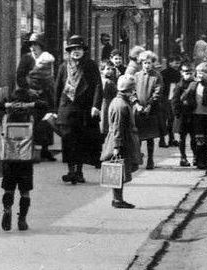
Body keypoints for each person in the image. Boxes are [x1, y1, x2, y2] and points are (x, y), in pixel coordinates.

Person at [0, 82, 50, 229]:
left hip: (9, 158)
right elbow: (44, 106)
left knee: (8, 189)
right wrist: (30, 104)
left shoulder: (5, 118)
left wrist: (8, 102)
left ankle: (7, 209)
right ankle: (22, 220)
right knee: (25, 191)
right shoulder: (32, 118)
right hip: (25, 159)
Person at [54, 36, 102, 184]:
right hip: (67, 109)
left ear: (83, 51)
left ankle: (79, 172)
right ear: (69, 51)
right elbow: (58, 88)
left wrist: (96, 106)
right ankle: (70, 171)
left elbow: (98, 86)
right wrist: (55, 109)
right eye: (73, 49)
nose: (76, 51)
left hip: (84, 109)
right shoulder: (64, 66)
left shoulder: (90, 65)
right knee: (68, 141)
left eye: (79, 49)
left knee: (81, 141)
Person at [101, 74, 140, 209]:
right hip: (121, 140)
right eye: (133, 89)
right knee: (119, 170)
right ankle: (117, 199)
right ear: (128, 90)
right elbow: (118, 126)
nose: (134, 91)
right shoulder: (121, 105)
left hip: (122, 139)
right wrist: (117, 146)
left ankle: (118, 199)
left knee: (121, 169)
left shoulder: (119, 101)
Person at [17, 34, 57, 160]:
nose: (33, 48)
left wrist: (46, 90)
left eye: (35, 45)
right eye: (31, 45)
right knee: (31, 122)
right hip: (30, 96)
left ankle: (45, 150)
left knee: (46, 123)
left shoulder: (47, 58)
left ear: (41, 46)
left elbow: (51, 77)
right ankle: (30, 149)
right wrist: (28, 90)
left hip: (45, 95)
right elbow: (20, 76)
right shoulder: (27, 58)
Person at [181, 62, 207, 169]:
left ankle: (205, 161)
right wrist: (188, 103)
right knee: (199, 140)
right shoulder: (193, 85)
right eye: (198, 72)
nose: (200, 75)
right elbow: (183, 97)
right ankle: (199, 161)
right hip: (197, 116)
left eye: (203, 73)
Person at [132, 52, 163, 169]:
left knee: (150, 136)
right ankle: (137, 158)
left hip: (152, 109)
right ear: (141, 63)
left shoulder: (157, 76)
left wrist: (150, 104)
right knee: (138, 136)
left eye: (149, 63)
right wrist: (136, 103)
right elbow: (132, 90)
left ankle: (150, 159)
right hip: (138, 109)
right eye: (145, 63)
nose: (147, 65)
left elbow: (158, 91)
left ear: (152, 63)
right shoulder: (136, 75)